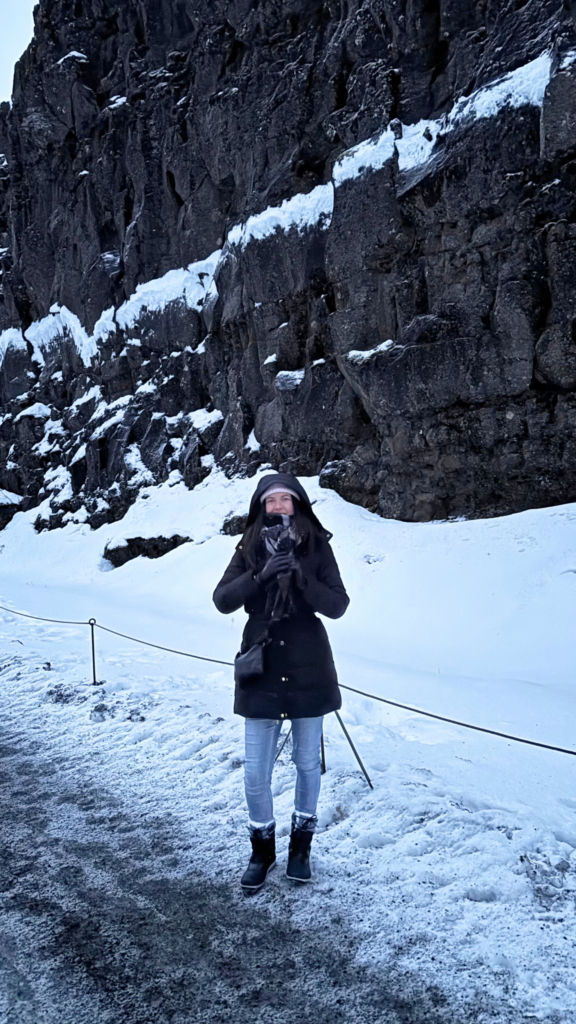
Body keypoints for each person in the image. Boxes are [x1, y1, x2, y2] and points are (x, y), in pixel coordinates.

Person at [213, 472, 349, 891]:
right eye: (270, 500)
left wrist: (303, 580)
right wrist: (262, 574)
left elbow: (339, 605)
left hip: (308, 663)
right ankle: (262, 852)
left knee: (308, 763)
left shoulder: (317, 545)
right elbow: (222, 600)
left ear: (298, 504)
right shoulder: (249, 545)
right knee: (256, 772)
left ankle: (301, 849)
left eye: (285, 499)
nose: (278, 506)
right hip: (263, 665)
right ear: (260, 506)